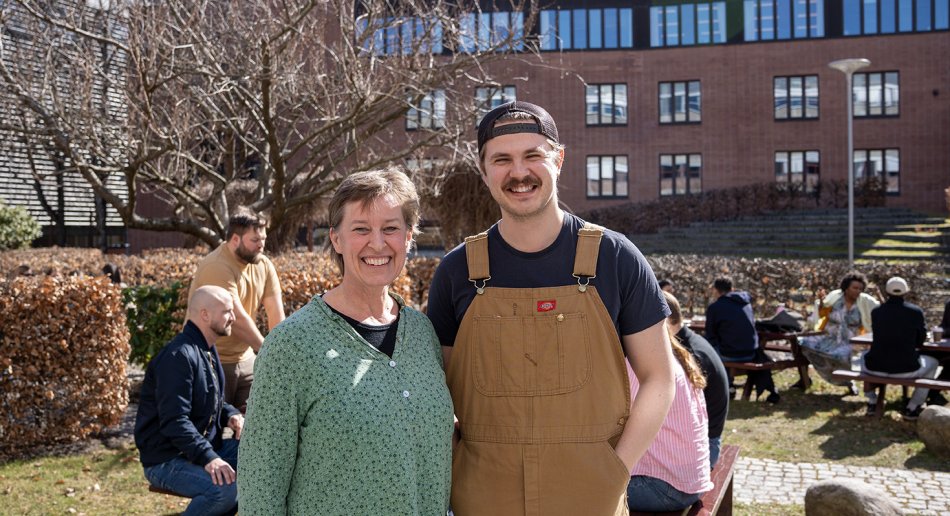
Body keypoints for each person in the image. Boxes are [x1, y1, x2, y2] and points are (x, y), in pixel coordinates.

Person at [426, 101, 675, 515]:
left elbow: (659, 378)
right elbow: (438, 391)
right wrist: (455, 462)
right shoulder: (458, 271)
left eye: (533, 156)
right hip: (483, 496)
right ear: (483, 169)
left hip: (591, 496)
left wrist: (616, 469)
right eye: (502, 159)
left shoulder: (615, 258)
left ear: (559, 160)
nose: (518, 173)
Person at [238, 168, 453, 514]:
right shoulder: (292, 346)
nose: (378, 243)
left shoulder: (422, 334)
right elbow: (260, 487)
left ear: (409, 237)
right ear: (336, 239)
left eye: (391, 229)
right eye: (361, 229)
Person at [134, 286, 244, 516]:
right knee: (224, 491)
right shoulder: (178, 357)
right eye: (227, 311)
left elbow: (212, 400)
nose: (233, 317)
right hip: (166, 460)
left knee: (264, 456)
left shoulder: (206, 349)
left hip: (199, 448)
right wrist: (209, 458)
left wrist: (231, 414)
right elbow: (175, 421)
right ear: (205, 315)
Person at [188, 207, 285, 412]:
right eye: (255, 240)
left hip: (246, 359)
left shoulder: (263, 265)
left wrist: (282, 352)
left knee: (252, 427)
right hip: (212, 359)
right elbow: (237, 319)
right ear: (235, 240)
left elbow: (276, 315)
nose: (261, 246)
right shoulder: (217, 266)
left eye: (264, 239)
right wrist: (269, 352)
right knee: (213, 431)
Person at [626, 294, 712, 513]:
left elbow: (619, 421)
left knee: (579, 489)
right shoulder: (672, 354)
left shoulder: (641, 364)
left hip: (668, 487)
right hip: (690, 480)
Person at [860, 277, 939, 420]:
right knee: (933, 363)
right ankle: (913, 406)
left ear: (887, 292)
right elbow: (920, 341)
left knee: (863, 355)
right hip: (906, 370)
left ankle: (872, 401)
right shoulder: (915, 312)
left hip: (875, 368)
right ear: (906, 292)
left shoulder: (877, 312)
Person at [666, 292, 730, 467]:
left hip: (704, 448)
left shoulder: (689, 356)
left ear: (664, 321)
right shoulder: (690, 343)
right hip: (705, 439)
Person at [799, 271, 878, 394]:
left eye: (860, 289)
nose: (857, 291)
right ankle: (806, 379)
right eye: (855, 288)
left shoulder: (865, 302)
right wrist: (820, 303)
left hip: (852, 341)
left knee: (843, 356)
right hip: (831, 336)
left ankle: (848, 380)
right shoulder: (835, 298)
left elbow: (880, 310)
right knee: (801, 344)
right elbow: (822, 311)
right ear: (846, 288)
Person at [704, 276, 779, 403]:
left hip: (730, 354)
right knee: (725, 343)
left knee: (706, 351)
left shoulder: (715, 307)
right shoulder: (746, 303)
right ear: (732, 289)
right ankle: (729, 385)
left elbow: (710, 334)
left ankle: (722, 387)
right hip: (751, 352)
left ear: (715, 290)